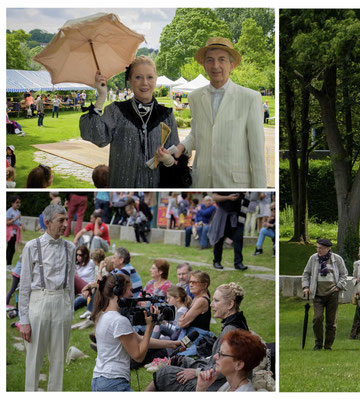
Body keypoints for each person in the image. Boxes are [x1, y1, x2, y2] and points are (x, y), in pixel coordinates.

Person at [172, 37, 266, 188]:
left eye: (222, 59)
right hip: (201, 182)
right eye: (210, 60)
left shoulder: (250, 98)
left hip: (235, 186)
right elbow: (196, 134)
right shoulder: (194, 97)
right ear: (203, 65)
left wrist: (260, 194)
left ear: (232, 65)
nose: (216, 65)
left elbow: (257, 155)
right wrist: (182, 147)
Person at [80, 56, 180, 188]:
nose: (145, 83)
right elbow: (98, 137)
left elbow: (177, 154)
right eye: (138, 77)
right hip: (122, 186)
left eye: (150, 77)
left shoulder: (166, 115)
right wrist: (101, 98)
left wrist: (169, 160)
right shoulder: (117, 111)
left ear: (155, 80)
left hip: (155, 188)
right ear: (130, 81)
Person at [149, 282, 251, 391]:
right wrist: (183, 360)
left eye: (216, 301)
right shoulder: (235, 323)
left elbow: (223, 369)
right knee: (178, 362)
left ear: (230, 304)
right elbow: (214, 361)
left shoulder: (230, 331)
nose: (211, 304)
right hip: (217, 377)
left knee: (163, 373)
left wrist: (196, 372)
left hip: (219, 385)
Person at [18, 204, 76, 391]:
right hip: (39, 302)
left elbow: (70, 283)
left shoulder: (70, 248)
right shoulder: (31, 247)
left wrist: (70, 310)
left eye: (66, 220)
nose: (65, 224)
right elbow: (24, 286)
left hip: (62, 303)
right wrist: (24, 320)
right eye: (61, 220)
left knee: (58, 359)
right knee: (34, 357)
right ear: (48, 222)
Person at [90, 272, 180, 391]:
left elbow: (139, 339)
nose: (132, 294)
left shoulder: (102, 315)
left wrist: (171, 344)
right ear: (118, 291)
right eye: (130, 290)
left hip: (99, 380)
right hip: (114, 383)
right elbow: (138, 356)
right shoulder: (119, 321)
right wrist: (149, 327)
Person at [301, 238, 347, 350]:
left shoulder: (336, 259)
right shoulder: (313, 258)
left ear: (328, 249)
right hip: (317, 294)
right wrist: (306, 287)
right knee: (317, 318)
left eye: (320, 248)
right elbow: (306, 273)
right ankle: (318, 344)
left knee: (331, 322)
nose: (318, 250)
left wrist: (339, 286)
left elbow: (344, 274)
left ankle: (328, 345)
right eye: (317, 247)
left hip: (332, 294)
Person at [195, 329, 266, 392]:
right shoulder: (230, 385)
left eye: (221, 354)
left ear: (239, 365)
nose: (215, 356)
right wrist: (201, 389)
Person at [209, 193, 248, 270]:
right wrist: (228, 197)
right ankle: (217, 261)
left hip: (238, 214)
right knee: (219, 239)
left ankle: (238, 263)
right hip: (223, 214)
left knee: (238, 239)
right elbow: (214, 197)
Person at [73, 245, 93, 310]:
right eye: (77, 255)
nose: (78, 257)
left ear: (85, 255)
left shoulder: (91, 263)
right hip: (79, 289)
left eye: (80, 255)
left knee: (74, 276)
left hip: (88, 286)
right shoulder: (76, 265)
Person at [7, 195, 22, 267]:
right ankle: (8, 264)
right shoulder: (9, 211)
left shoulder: (18, 211)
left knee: (12, 248)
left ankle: (9, 264)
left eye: (19, 202)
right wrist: (16, 218)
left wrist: (21, 224)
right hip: (11, 232)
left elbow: (18, 221)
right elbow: (7, 223)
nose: (18, 204)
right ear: (12, 203)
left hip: (16, 232)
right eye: (17, 202)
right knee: (11, 248)